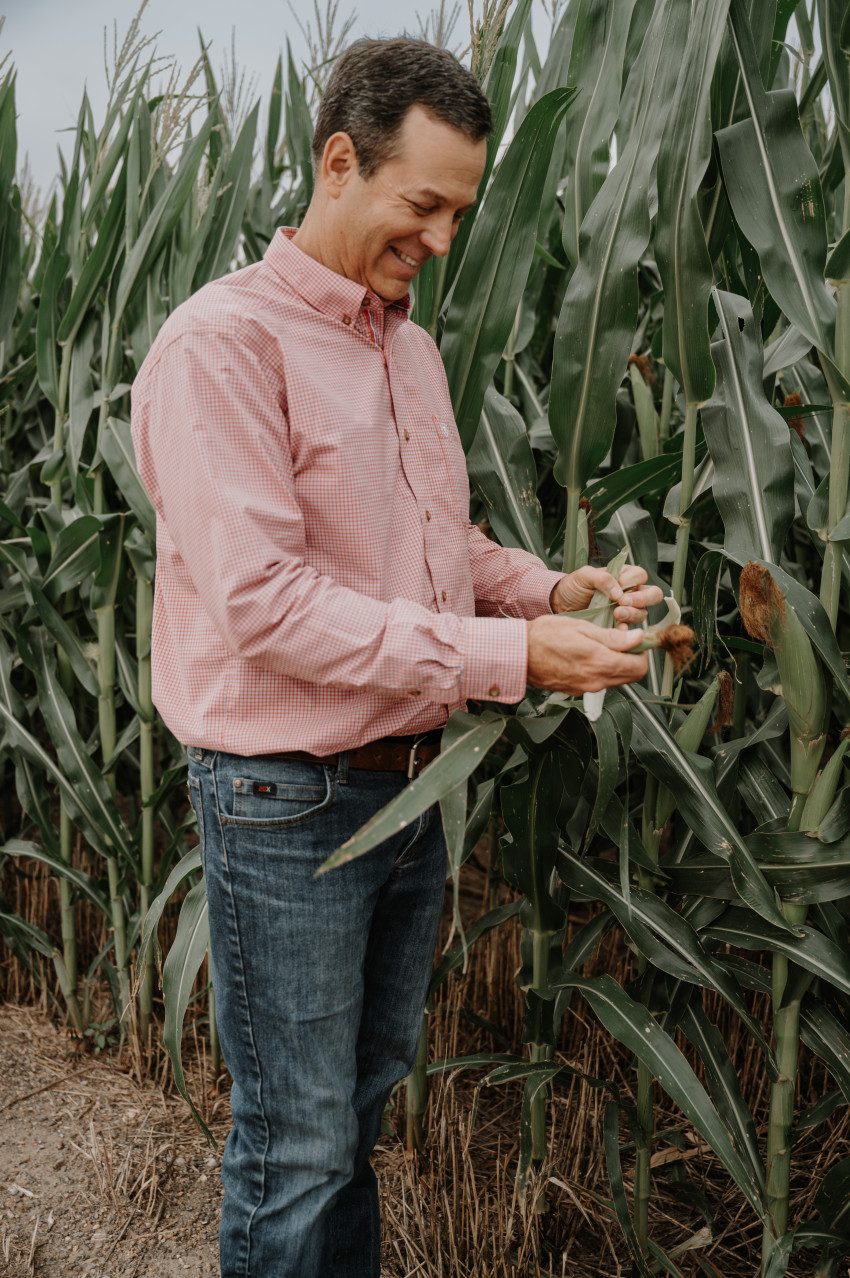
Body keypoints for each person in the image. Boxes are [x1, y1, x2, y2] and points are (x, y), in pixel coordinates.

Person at [131, 36, 662, 1278]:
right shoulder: (223, 348)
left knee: (355, 1117)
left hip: (410, 787)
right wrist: (511, 654)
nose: (439, 239)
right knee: (299, 1146)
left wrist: (548, 589)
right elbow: (266, 602)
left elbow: (432, 543)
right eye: (421, 204)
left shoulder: (404, 345)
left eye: (458, 213)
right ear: (337, 162)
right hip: (288, 802)